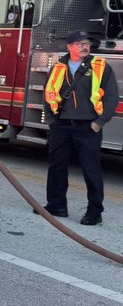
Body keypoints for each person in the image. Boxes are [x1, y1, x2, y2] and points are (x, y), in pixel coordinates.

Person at [41, 28, 119, 225]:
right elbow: (48, 92)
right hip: (61, 125)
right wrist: (51, 120)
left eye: (87, 43)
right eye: (80, 44)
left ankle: (95, 211)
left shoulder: (101, 67)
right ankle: (56, 205)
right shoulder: (58, 66)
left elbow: (111, 98)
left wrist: (99, 123)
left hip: (88, 127)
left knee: (91, 170)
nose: (85, 47)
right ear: (70, 46)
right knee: (57, 166)